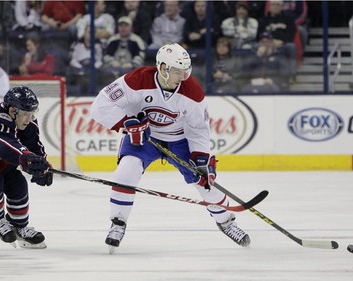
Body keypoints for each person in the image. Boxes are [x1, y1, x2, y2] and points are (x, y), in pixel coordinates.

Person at [90, 43, 250, 253]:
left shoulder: (192, 92)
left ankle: (227, 222)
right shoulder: (137, 79)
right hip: (144, 137)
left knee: (206, 183)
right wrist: (128, 124)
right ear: (163, 68)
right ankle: (118, 224)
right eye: (178, 71)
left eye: (186, 70)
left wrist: (201, 160)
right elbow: (100, 106)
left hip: (179, 140)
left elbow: (199, 128)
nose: (184, 76)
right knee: (126, 171)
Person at [0, 86, 53, 249]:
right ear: (12, 110)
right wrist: (25, 157)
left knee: (18, 184)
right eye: (25, 114)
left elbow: (34, 145)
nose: (29, 119)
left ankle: (19, 226)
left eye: (31, 114)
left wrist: (43, 165)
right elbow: (4, 144)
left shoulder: (27, 121)